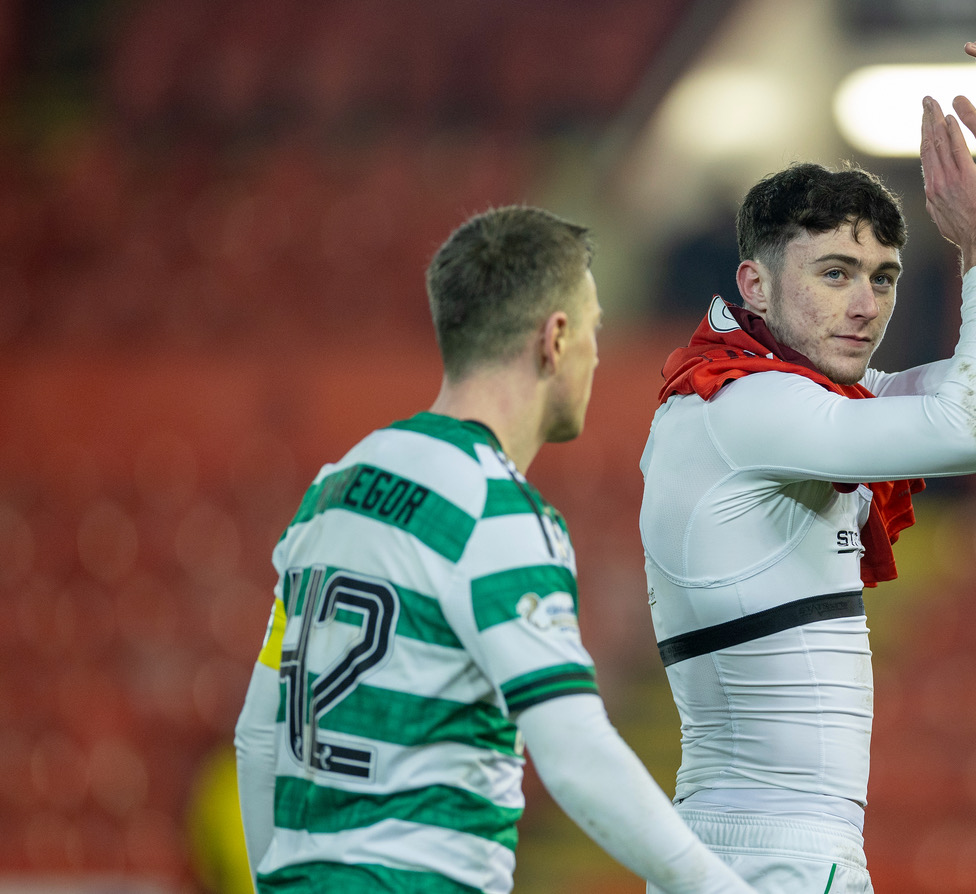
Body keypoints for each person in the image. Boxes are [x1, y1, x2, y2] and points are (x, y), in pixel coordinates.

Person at [638, 42, 976, 892]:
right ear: (754, 287)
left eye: (882, 277)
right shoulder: (744, 406)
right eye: (834, 273)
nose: (865, 304)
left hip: (753, 849)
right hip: (774, 856)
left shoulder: (790, 404)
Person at [234, 206, 756, 893]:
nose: (598, 354)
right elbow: (573, 752)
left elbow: (257, 738)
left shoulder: (333, 491)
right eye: (595, 328)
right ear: (556, 338)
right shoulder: (493, 509)